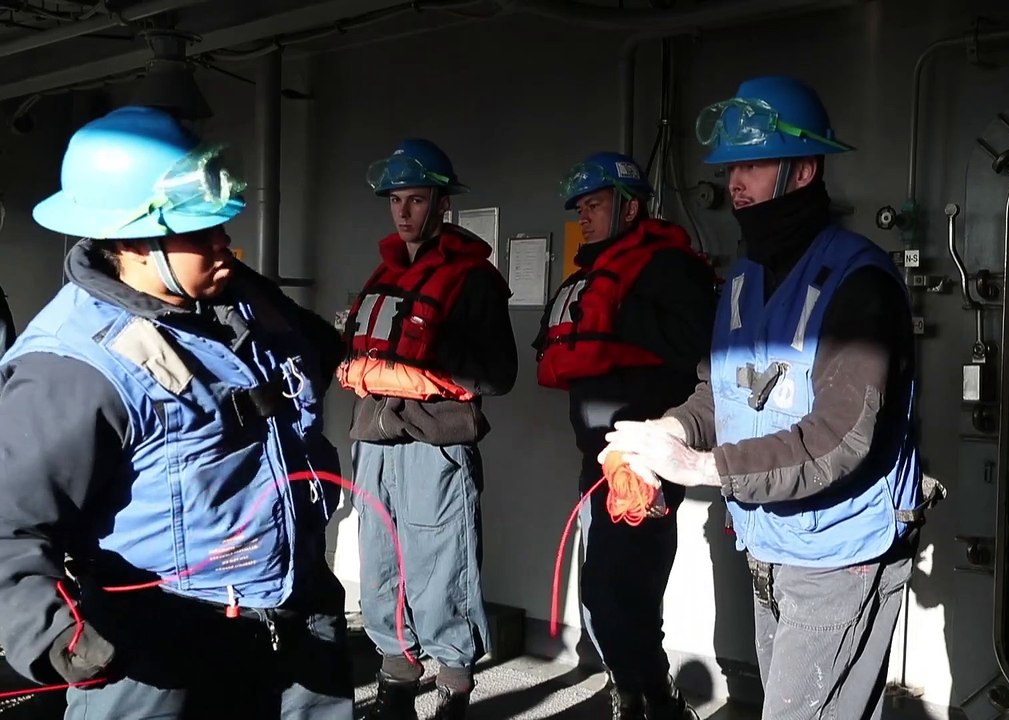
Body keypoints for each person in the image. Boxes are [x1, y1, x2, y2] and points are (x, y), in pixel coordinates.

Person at [0, 105, 353, 718]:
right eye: (200, 229)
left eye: (222, 225)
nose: (225, 242)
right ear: (131, 239)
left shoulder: (233, 296)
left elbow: (314, 351)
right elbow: (8, 523)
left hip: (293, 613)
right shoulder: (74, 365)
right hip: (160, 649)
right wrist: (55, 635)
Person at [601, 75, 932, 720]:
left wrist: (702, 468)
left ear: (804, 169)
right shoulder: (743, 277)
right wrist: (672, 429)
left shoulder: (860, 283)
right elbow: (719, 390)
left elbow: (837, 438)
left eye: (751, 164)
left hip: (840, 560)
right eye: (730, 167)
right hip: (771, 549)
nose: (735, 184)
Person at [337, 138, 517, 719]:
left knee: (442, 563)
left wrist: (418, 369)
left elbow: (498, 374)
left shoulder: (474, 280)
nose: (404, 212)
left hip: (434, 443)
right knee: (379, 563)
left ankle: (454, 690)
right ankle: (394, 687)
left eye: (416, 199)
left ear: (442, 204)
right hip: (374, 437)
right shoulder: (384, 275)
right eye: (396, 200)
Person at [534, 151, 715, 719]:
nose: (583, 217)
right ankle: (638, 692)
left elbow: (700, 354)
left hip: (644, 461)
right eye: (580, 207)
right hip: (597, 461)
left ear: (630, 207)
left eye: (595, 205)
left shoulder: (668, 269)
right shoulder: (588, 278)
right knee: (605, 591)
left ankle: (649, 697)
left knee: (626, 586)